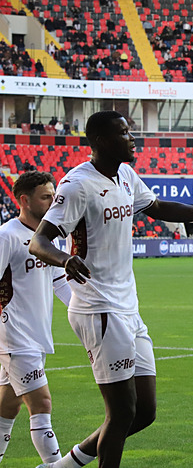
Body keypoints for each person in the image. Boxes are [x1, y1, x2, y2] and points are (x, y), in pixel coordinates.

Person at [28, 111, 193, 468]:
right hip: (97, 308)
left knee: (144, 412)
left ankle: (65, 465)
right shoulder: (76, 184)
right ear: (100, 141)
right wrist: (64, 260)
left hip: (128, 307)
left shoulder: (126, 175)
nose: (133, 138)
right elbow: (39, 242)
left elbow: (158, 207)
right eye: (124, 132)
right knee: (122, 412)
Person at [0, 172, 71, 465]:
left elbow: (60, 282)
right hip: (14, 336)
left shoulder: (49, 238)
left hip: (37, 335)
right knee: (41, 403)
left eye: (54, 196)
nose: (53, 201)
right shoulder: (7, 236)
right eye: (46, 196)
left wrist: (85, 311)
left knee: (7, 408)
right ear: (25, 201)